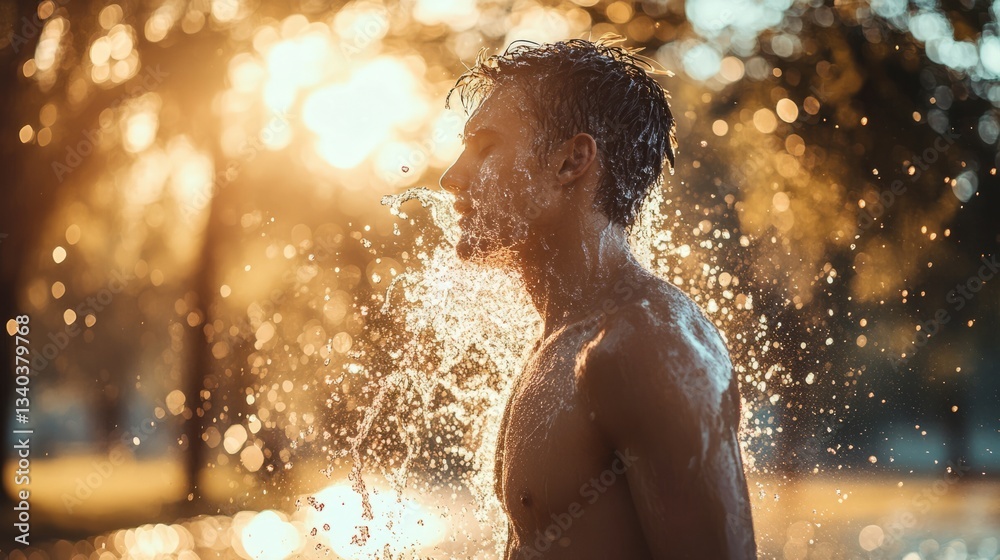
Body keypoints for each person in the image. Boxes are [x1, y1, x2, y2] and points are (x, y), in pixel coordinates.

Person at [439, 36, 756, 559]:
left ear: (571, 161)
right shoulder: (562, 338)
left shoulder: (644, 345)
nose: (451, 178)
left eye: (486, 147)